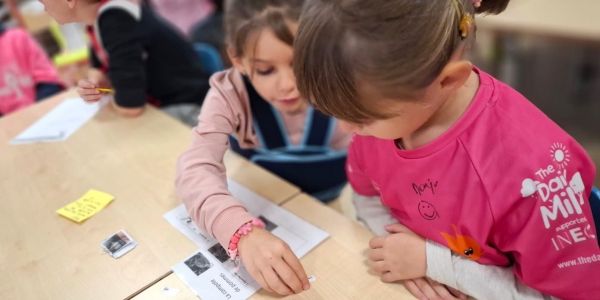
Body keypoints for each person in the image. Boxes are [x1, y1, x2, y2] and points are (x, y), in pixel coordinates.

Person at [293, 0, 600, 299]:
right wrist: (399, 251)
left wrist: (435, 263)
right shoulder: (376, 115)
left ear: (448, 80)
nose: (346, 130)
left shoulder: (530, 172)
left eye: (362, 118)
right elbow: (367, 195)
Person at [175, 0, 350, 296]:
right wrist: (240, 232)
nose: (288, 85)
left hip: (336, 208)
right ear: (238, 59)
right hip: (266, 204)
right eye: (266, 70)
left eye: (301, 64)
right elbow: (196, 166)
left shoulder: (348, 78)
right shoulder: (231, 93)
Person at [39, 0, 210, 125]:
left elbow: (131, 105)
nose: (40, 3)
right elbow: (101, 70)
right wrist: (98, 81)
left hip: (191, 110)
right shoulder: (98, 18)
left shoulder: (116, 19)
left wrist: (116, 91)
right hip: (163, 104)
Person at [0, 22, 63, 116]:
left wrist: (37, 113)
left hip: (45, 110)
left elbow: (48, 80)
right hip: (10, 124)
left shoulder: (18, 38)